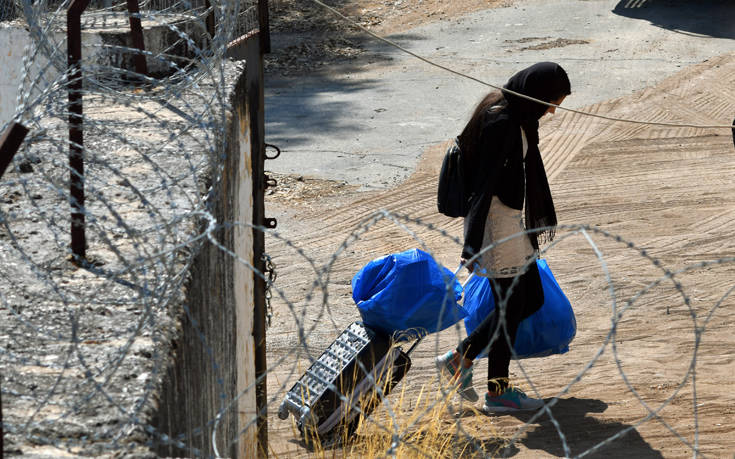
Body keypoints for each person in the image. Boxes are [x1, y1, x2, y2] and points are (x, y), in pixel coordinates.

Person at [435, 62, 571, 412]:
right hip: (500, 224)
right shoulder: (503, 122)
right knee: (512, 305)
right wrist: (474, 243)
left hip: (513, 222)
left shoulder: (519, 117)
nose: (554, 110)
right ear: (536, 94)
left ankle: (466, 363)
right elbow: (483, 187)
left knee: (526, 299)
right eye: (552, 101)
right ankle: (493, 388)